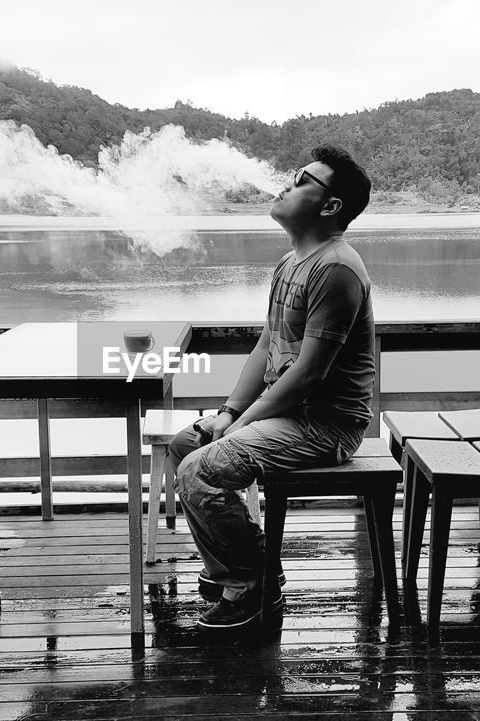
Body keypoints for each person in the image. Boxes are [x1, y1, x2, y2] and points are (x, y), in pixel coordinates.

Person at [168, 144, 375, 629]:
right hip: (288, 415)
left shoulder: (337, 269)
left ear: (330, 206)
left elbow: (308, 373)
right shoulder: (289, 264)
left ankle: (249, 582)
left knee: (201, 470)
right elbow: (267, 345)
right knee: (186, 444)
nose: (286, 183)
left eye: (302, 179)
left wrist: (240, 425)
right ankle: (244, 567)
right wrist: (228, 411)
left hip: (325, 425)